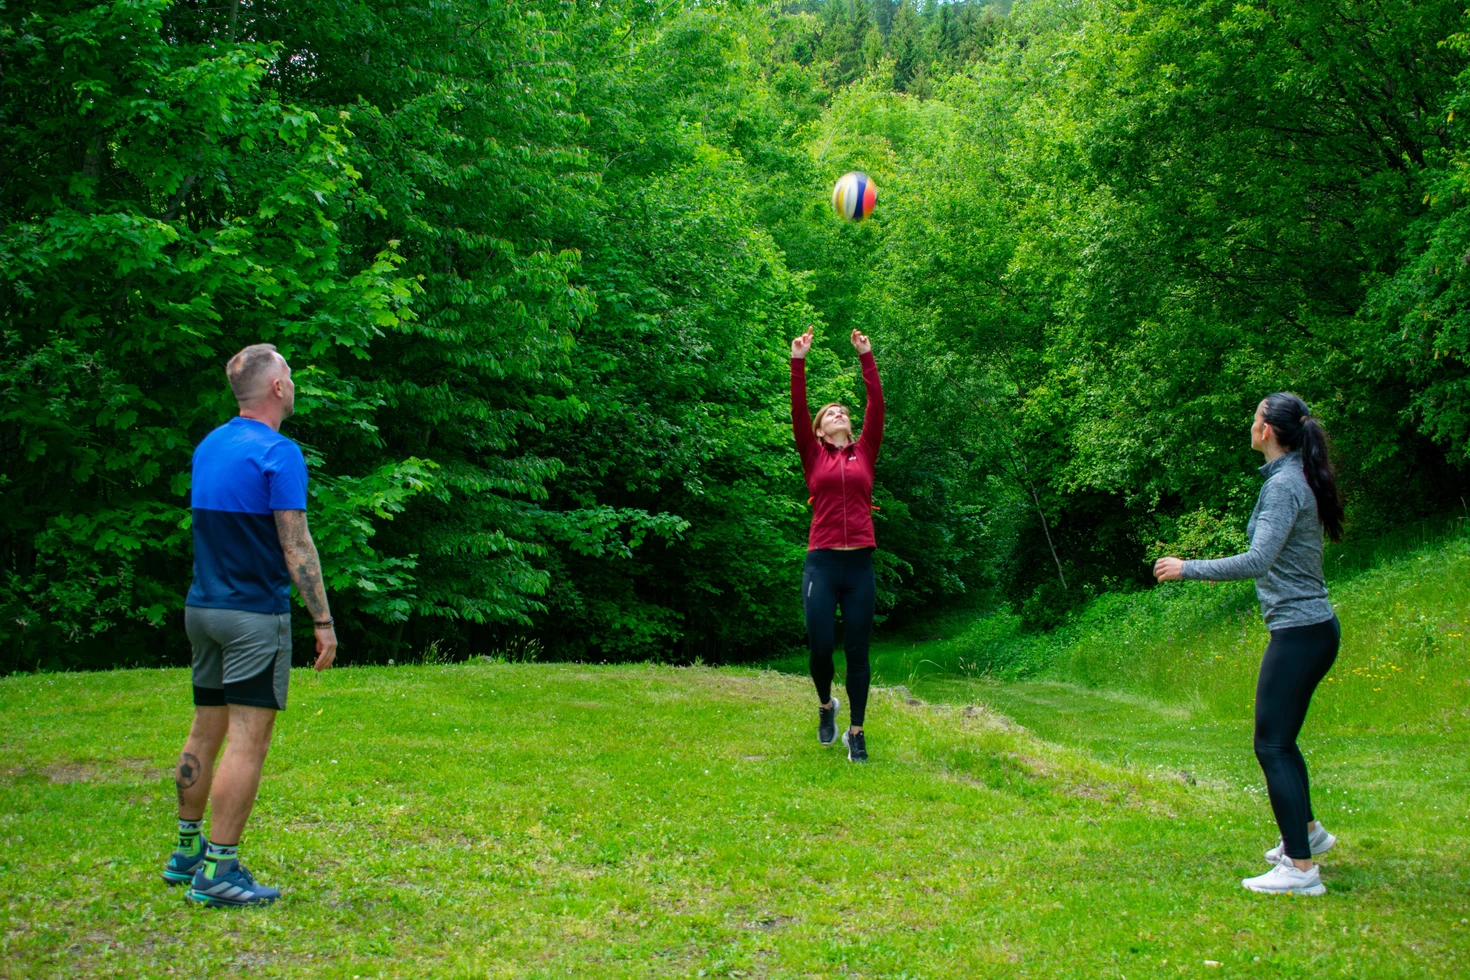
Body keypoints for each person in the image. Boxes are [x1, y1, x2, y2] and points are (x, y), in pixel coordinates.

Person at [161, 344, 338, 907]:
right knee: (247, 740)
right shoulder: (279, 453)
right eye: (289, 374)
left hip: (203, 610)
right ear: (277, 388)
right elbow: (296, 544)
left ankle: (186, 853)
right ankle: (219, 871)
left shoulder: (210, 445)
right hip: (252, 617)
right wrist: (322, 619)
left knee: (204, 729)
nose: (293, 382)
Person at [1154, 392, 1344, 897]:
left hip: (1301, 632)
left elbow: (1259, 559)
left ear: (1267, 430)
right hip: (1311, 629)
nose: (1251, 423)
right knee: (1282, 740)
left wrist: (1188, 568)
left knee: (1271, 744)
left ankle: (1300, 871)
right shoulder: (1293, 477)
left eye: (1254, 416)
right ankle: (1307, 833)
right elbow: (1272, 559)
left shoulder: (1284, 485)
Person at [789, 327, 884, 762]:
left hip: (859, 566)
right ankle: (826, 705)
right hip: (822, 565)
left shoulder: (865, 451)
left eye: (843, 411)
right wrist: (798, 362)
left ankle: (856, 732)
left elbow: (877, 406)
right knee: (821, 648)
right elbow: (797, 410)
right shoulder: (813, 454)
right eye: (831, 414)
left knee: (859, 652)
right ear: (821, 432)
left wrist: (866, 355)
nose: (840, 414)